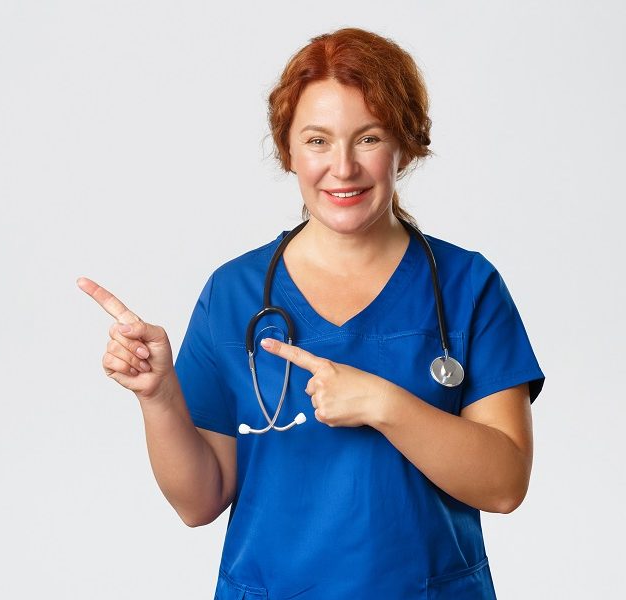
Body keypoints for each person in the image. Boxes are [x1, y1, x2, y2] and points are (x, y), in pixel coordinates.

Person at [76, 28, 543, 599]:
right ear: (288, 151)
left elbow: (504, 485)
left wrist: (384, 403)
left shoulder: (468, 286)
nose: (342, 168)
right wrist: (158, 397)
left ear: (404, 143)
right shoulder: (235, 294)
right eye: (318, 141)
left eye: (368, 138)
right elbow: (199, 503)